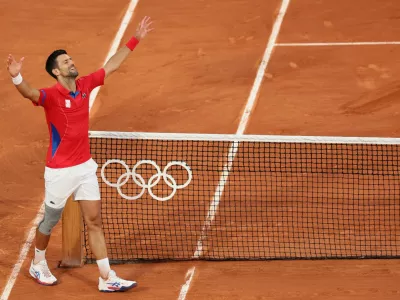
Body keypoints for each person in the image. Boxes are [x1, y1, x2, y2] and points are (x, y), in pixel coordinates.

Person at [6, 16, 153, 292]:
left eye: (70, 59)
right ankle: (37, 263)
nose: (71, 63)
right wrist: (17, 75)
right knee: (50, 220)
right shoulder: (49, 96)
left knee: (94, 220)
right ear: (56, 72)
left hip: (84, 167)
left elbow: (111, 66)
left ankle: (106, 277)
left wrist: (135, 39)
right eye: (65, 62)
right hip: (60, 171)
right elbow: (28, 92)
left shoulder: (85, 86)